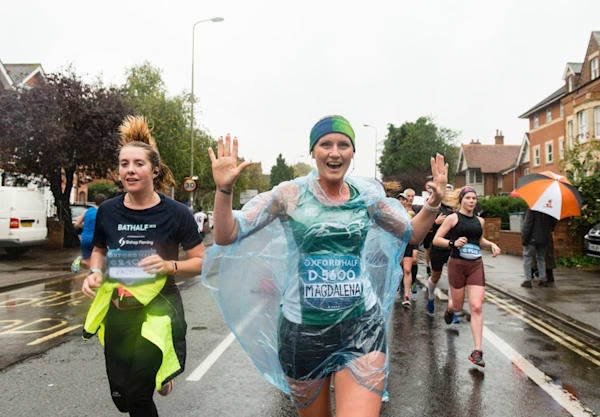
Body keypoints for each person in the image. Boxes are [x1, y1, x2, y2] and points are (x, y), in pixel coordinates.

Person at [204, 115, 448, 417]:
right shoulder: (288, 195)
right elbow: (228, 234)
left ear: (352, 153)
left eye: (343, 144)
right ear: (313, 152)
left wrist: (434, 203)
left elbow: (412, 233)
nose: (335, 152)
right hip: (303, 333)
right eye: (325, 144)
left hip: (362, 328)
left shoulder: (367, 198)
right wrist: (224, 190)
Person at [81, 115, 204, 417]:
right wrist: (95, 272)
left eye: (138, 163)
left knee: (137, 396)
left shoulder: (177, 213)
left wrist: (168, 266)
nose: (130, 170)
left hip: (159, 310)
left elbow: (201, 261)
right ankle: (159, 375)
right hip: (119, 307)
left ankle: (156, 373)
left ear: (154, 169)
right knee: (122, 397)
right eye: (125, 164)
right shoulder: (107, 211)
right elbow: (98, 250)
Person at [433, 186, 501, 368]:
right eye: (468, 198)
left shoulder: (480, 221)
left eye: (474, 198)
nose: (471, 201)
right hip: (457, 264)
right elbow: (436, 239)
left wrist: (491, 244)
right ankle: (450, 309)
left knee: (477, 306)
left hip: (475, 265)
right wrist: (452, 243)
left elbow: (480, 241)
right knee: (457, 305)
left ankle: (477, 351)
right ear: (461, 200)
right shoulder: (453, 218)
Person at [425, 184, 456, 315]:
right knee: (435, 277)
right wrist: (435, 222)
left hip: (453, 247)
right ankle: (431, 297)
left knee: (453, 279)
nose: (448, 195)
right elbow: (425, 228)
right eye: (446, 193)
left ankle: (451, 309)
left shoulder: (458, 210)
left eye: (450, 193)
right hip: (438, 248)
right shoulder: (436, 208)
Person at [520, 208, 558, 288]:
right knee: (541, 258)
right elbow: (553, 224)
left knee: (527, 257)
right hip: (545, 238)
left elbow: (528, 224)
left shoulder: (532, 209)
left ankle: (527, 280)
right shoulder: (550, 209)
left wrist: (524, 239)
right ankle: (543, 279)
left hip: (532, 238)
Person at [71, 193, 107, 273]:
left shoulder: (88, 211)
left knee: (88, 261)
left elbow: (77, 224)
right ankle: (96, 276)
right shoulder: (104, 212)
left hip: (85, 238)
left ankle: (81, 261)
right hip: (97, 240)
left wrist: (86, 226)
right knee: (100, 260)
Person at [397, 191, 417, 308]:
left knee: (407, 269)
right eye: (399, 199)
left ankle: (406, 295)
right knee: (397, 268)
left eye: (403, 199)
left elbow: (415, 228)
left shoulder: (411, 213)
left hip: (408, 243)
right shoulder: (392, 213)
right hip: (396, 244)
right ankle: (397, 286)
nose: (402, 201)